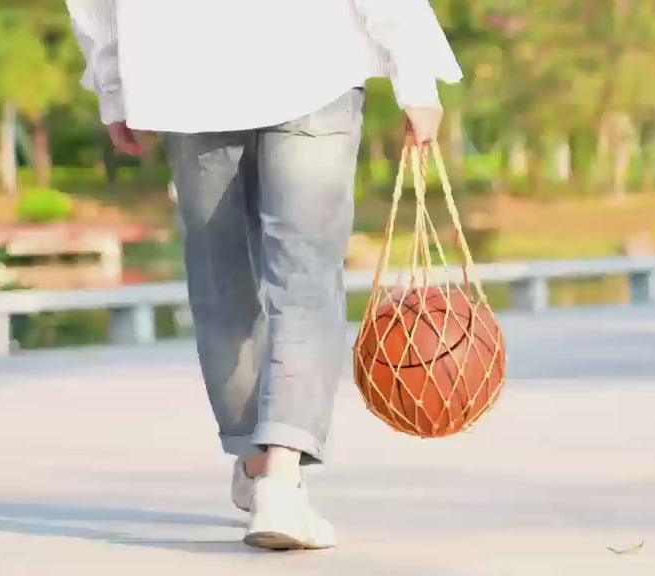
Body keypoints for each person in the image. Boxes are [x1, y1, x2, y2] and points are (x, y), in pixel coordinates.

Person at [66, 0, 462, 551]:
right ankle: (280, 476)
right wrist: (413, 70)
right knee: (304, 279)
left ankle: (257, 466)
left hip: (183, 68)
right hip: (308, 59)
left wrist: (113, 82)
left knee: (220, 280)